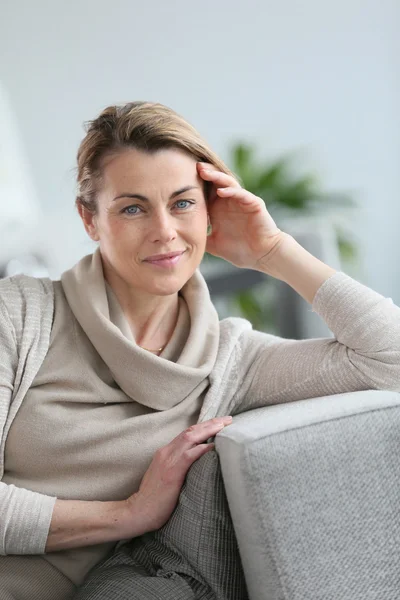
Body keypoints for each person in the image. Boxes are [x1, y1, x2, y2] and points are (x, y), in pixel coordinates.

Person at [1, 100, 399, 600]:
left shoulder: (232, 360)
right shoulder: (19, 314)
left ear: (210, 208)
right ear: (90, 219)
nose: (164, 231)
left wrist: (273, 251)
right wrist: (129, 514)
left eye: (183, 202)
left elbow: (391, 360)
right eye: (132, 207)